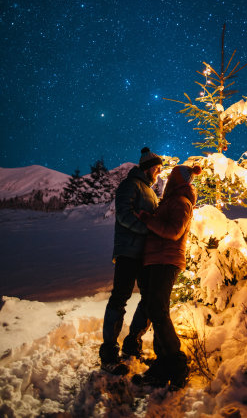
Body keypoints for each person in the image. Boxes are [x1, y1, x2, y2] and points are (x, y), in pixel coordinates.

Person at [131, 164, 202, 389]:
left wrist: (147, 220)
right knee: (155, 310)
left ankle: (177, 364)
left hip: (166, 261)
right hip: (156, 260)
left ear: (178, 180)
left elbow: (173, 232)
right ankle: (163, 364)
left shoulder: (181, 202)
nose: (167, 180)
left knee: (158, 311)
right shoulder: (170, 201)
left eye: (171, 177)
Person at [99, 147, 163, 374]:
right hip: (128, 252)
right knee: (120, 298)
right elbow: (124, 215)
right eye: (156, 168)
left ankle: (132, 342)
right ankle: (108, 352)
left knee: (149, 297)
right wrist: (147, 231)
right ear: (147, 168)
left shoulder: (150, 190)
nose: (159, 172)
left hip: (145, 254)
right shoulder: (130, 185)